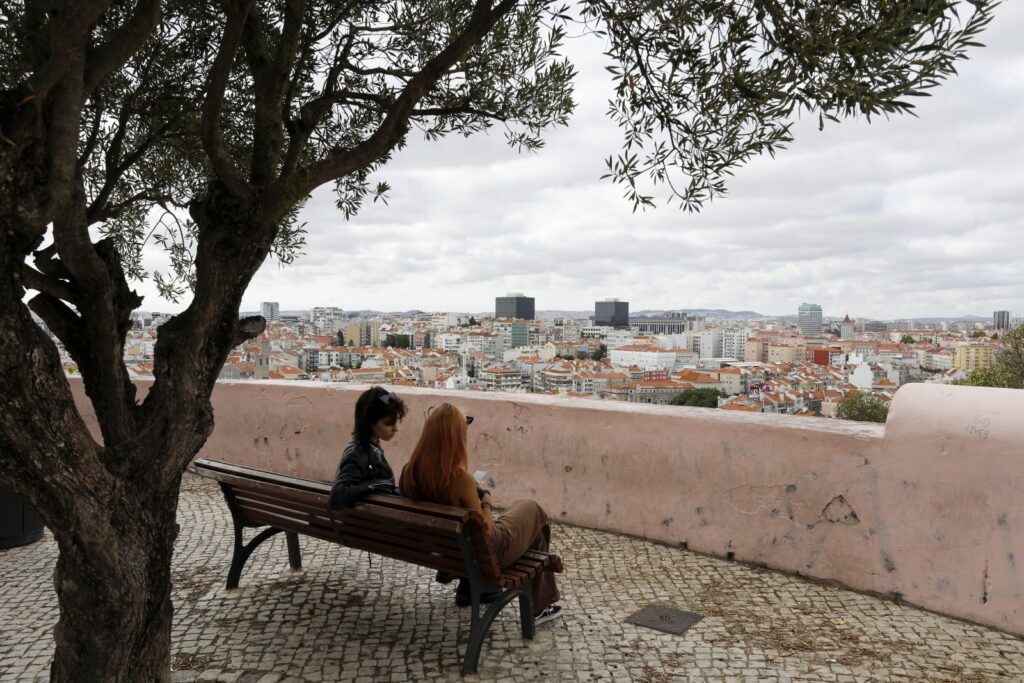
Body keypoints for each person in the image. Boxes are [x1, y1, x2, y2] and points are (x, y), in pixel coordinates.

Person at [399, 402, 563, 626]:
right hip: (485, 556)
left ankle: (536, 603)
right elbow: (485, 533)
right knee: (533, 510)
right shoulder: (462, 481)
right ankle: (540, 605)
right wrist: (485, 497)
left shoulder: (409, 472)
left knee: (529, 527)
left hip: (446, 552)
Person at [328, 386, 407, 508]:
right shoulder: (357, 453)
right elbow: (338, 494)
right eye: (388, 423)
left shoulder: (370, 448)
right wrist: (376, 485)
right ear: (370, 423)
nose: (395, 429)